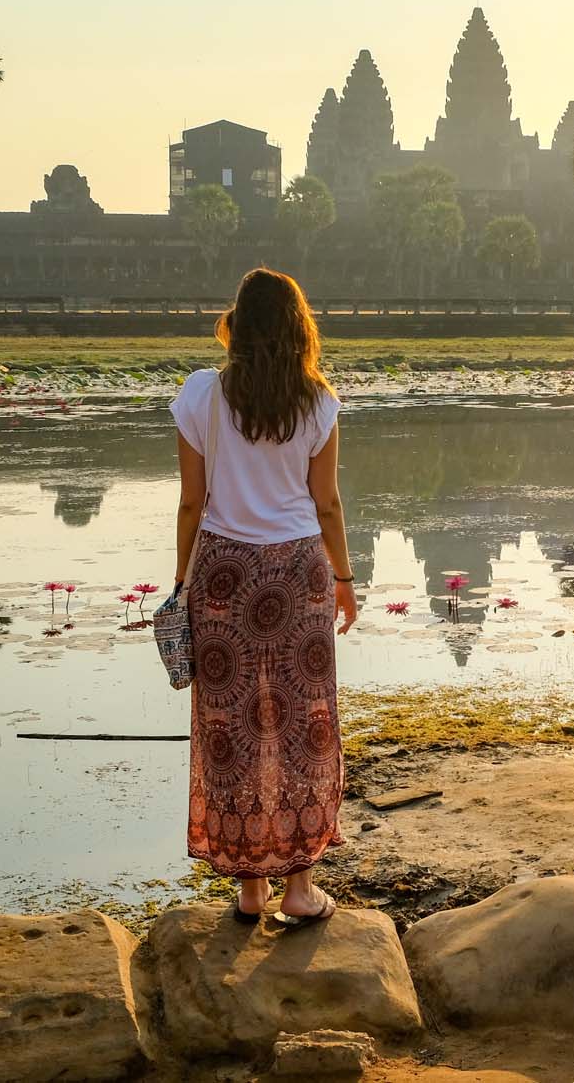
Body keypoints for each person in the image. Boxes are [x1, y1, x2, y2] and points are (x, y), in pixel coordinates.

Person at [170, 267, 356, 927]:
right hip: (299, 573)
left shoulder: (202, 395)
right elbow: (327, 503)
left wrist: (181, 584)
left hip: (225, 574)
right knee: (304, 723)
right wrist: (344, 579)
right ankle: (299, 887)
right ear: (299, 327)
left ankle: (251, 890)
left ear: (238, 325)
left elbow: (192, 501)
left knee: (230, 727)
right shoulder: (318, 402)